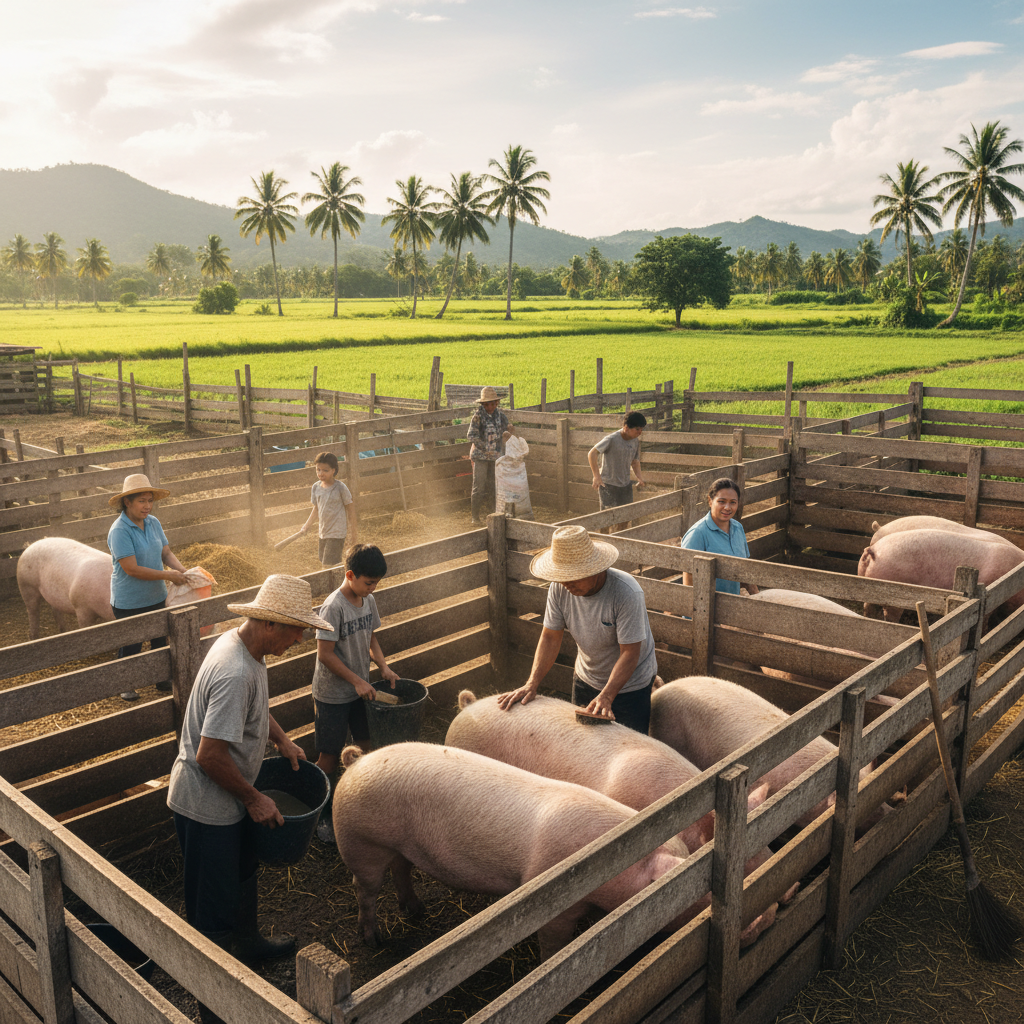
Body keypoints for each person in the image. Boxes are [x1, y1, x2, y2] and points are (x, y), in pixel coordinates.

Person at [166, 574, 332, 989]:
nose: (298, 639)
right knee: (213, 910)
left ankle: (249, 943)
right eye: (297, 630)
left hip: (230, 798)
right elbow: (209, 756)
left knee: (242, 873)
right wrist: (256, 798)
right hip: (206, 805)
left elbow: (252, 711)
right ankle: (216, 996)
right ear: (270, 623)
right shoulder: (235, 671)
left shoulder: (246, 648)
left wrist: (282, 740)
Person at [497, 525, 658, 734]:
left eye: (574, 576)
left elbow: (630, 653)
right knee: (584, 744)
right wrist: (532, 683)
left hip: (630, 686)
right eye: (562, 576)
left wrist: (607, 696)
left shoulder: (626, 593)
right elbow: (550, 637)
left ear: (596, 569)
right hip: (586, 678)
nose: (567, 584)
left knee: (629, 750)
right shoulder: (559, 588)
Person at [311, 544, 399, 844]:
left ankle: (358, 803)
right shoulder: (333, 607)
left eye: (376, 583)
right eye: (368, 582)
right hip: (333, 694)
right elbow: (325, 654)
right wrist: (356, 681)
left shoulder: (368, 600)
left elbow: (371, 637)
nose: (372, 588)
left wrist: (383, 667)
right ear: (350, 575)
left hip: (361, 690)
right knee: (329, 755)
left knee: (364, 743)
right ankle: (321, 815)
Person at [106, 473, 189, 702]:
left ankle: (161, 679)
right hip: (129, 600)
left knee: (160, 641)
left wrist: (183, 572)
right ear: (127, 502)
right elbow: (132, 568)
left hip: (156, 595)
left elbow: (166, 552)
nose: (147, 506)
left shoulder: (153, 522)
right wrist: (168, 575)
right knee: (132, 643)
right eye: (142, 501)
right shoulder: (119, 530)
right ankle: (127, 684)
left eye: (150, 501)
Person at [680, 478, 760, 596]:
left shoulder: (738, 529)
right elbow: (689, 582)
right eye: (722, 501)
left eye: (733, 502)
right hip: (706, 608)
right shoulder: (697, 534)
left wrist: (757, 597)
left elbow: (744, 569)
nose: (727, 507)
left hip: (732, 604)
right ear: (710, 501)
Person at [466, 386, 514, 524]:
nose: (491, 406)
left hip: (496, 457)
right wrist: (484, 447)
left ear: (496, 403)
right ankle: (475, 517)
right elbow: (471, 435)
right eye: (488, 404)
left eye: (493, 403)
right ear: (483, 404)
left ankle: (493, 514)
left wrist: (509, 429)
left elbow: (507, 429)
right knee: (479, 487)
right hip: (481, 457)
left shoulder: (500, 416)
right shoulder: (478, 416)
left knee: (494, 486)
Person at [300, 451, 356, 566]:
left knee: (328, 564)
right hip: (323, 532)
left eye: (325, 470)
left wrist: (353, 534)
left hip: (337, 533)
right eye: (318, 470)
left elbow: (351, 510)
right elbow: (316, 509)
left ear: (333, 470)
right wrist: (307, 525)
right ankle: (344, 579)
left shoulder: (340, 488)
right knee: (325, 561)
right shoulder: (316, 487)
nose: (321, 473)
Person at [588, 411, 647, 512]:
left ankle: (621, 529)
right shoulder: (611, 439)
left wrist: (639, 477)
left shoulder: (635, 441)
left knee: (625, 517)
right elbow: (592, 453)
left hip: (625, 484)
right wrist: (596, 476)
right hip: (608, 485)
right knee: (607, 518)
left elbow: (635, 461)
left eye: (641, 429)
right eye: (637, 429)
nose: (640, 432)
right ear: (626, 427)